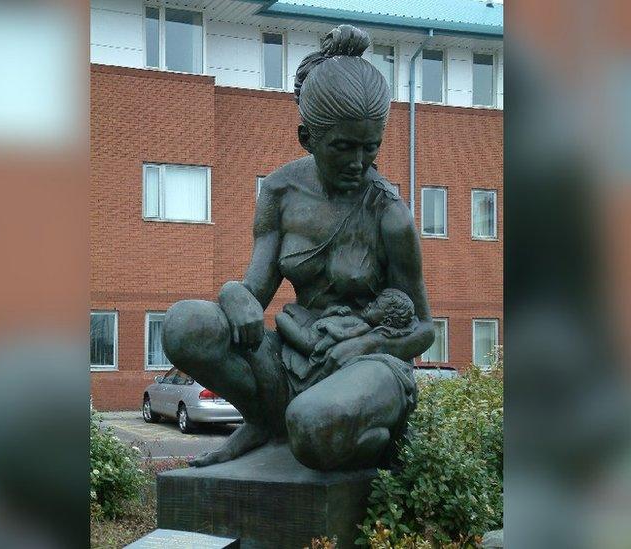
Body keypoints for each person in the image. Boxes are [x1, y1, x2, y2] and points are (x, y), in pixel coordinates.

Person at [162, 24, 435, 471]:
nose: (359, 163)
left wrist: (362, 348)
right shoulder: (279, 191)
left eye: (371, 147)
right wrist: (234, 294)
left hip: (371, 364)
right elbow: (257, 289)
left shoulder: (390, 213)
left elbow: (423, 326)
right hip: (293, 357)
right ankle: (268, 421)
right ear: (307, 138)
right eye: (343, 147)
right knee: (184, 324)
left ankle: (353, 439)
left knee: (312, 426)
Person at [275, 288, 417, 383]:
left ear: (385, 320)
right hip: (313, 326)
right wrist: (334, 310)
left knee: (281, 317)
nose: (369, 305)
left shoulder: (364, 327)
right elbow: (325, 317)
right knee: (289, 308)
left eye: (376, 306)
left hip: (312, 341)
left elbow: (342, 335)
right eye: (373, 302)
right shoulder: (360, 316)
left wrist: (329, 326)